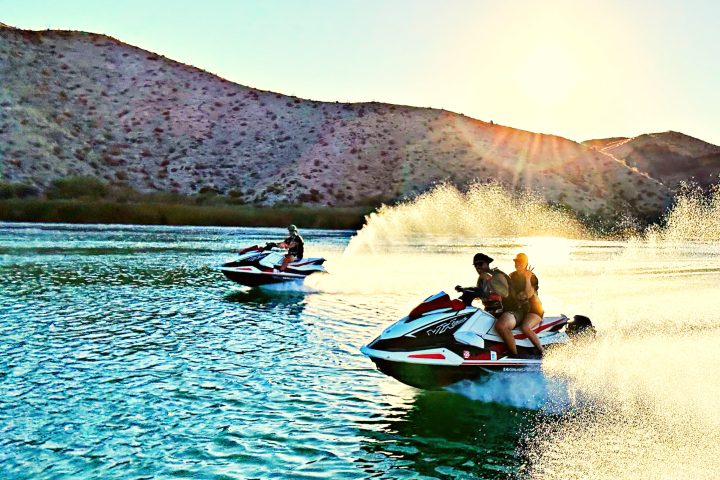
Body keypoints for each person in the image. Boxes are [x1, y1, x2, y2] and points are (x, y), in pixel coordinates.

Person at [494, 252, 544, 356]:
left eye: (520, 262)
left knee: (525, 327)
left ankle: (542, 352)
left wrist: (527, 278)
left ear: (526, 263)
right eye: (516, 261)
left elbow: (528, 294)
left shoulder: (532, 276)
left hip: (534, 309)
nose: (517, 263)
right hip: (521, 309)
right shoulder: (512, 275)